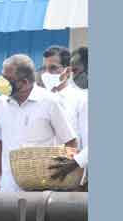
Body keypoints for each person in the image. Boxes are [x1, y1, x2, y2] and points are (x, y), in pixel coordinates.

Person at [0, 54, 77, 192]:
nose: (1, 82)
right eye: (2, 76)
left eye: (7, 79)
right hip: (8, 189)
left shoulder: (50, 102)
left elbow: (70, 142)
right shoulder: (1, 103)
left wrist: (62, 180)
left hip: (41, 192)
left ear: (24, 83)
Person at [50, 46, 88, 185]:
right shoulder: (77, 97)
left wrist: (75, 163)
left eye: (76, 70)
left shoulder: (83, 99)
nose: (74, 75)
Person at [40, 45, 87, 146]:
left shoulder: (81, 100)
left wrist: (74, 161)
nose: (47, 73)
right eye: (44, 68)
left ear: (68, 71)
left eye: (53, 68)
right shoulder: (38, 100)